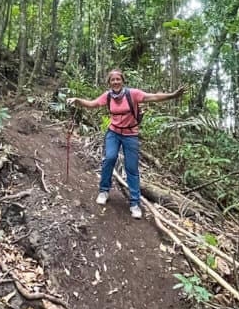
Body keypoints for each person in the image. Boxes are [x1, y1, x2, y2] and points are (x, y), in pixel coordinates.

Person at [67, 69, 186, 219]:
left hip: (131, 135)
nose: (116, 82)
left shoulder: (133, 94)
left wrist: (173, 95)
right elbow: (92, 104)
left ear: (122, 81)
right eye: (113, 80)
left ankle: (135, 203)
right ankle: (104, 190)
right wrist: (77, 100)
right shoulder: (108, 96)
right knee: (109, 158)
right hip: (113, 133)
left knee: (131, 168)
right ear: (109, 82)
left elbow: (153, 96)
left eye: (118, 79)